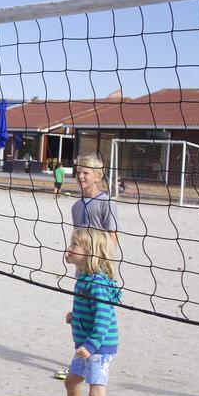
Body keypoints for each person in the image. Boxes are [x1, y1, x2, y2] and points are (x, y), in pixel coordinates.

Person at [45, 227, 122, 396]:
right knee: (70, 382)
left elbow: (104, 319)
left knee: (96, 395)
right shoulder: (84, 278)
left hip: (97, 348)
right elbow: (90, 311)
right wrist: (75, 316)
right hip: (86, 345)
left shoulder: (97, 282)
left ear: (90, 253)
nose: (69, 248)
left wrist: (91, 344)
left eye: (75, 245)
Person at [54, 153, 120, 380]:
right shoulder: (76, 206)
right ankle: (79, 362)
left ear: (98, 176)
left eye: (86, 173)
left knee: (101, 313)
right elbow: (77, 238)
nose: (80, 176)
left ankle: (99, 356)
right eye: (78, 172)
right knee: (82, 312)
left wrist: (98, 262)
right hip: (82, 268)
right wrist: (73, 254)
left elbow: (112, 238)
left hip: (100, 269)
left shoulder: (106, 203)